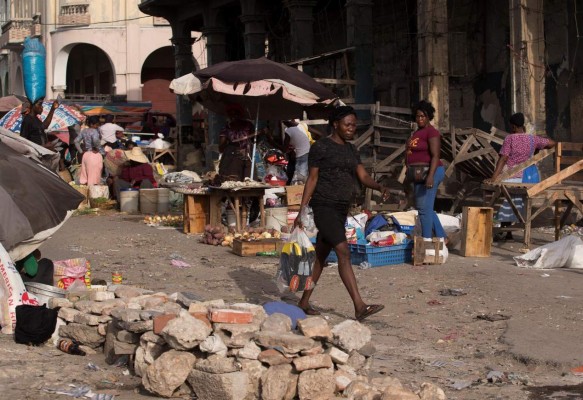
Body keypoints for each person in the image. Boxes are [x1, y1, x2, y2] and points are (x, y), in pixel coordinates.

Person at [294, 106, 388, 322]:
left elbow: (362, 176)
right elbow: (312, 179)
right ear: (335, 124)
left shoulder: (351, 150)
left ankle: (304, 302)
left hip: (340, 209)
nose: (351, 129)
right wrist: (301, 210)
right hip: (323, 206)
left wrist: (379, 186)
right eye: (348, 124)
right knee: (343, 252)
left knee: (320, 256)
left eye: (354, 125)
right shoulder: (321, 147)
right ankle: (359, 306)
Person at [486, 112, 556, 240]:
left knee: (507, 201)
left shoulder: (510, 139)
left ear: (513, 126)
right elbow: (552, 143)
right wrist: (536, 150)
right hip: (529, 177)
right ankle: (509, 231)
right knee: (518, 202)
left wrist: (494, 177)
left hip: (512, 176)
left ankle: (505, 230)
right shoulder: (532, 139)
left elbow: (503, 159)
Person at [406, 100, 446, 242]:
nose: (420, 119)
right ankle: (442, 237)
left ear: (429, 117)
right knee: (424, 207)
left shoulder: (432, 132)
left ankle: (427, 240)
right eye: (418, 116)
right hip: (417, 174)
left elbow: (435, 156)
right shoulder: (417, 132)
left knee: (424, 209)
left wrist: (430, 176)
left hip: (432, 172)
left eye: (423, 116)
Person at [218, 103, 255, 180]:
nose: (233, 116)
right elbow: (221, 148)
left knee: (248, 180)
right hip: (232, 157)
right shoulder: (227, 128)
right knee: (232, 180)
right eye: (231, 114)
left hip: (247, 156)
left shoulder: (249, 125)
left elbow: (254, 140)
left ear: (240, 114)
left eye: (236, 113)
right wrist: (225, 141)